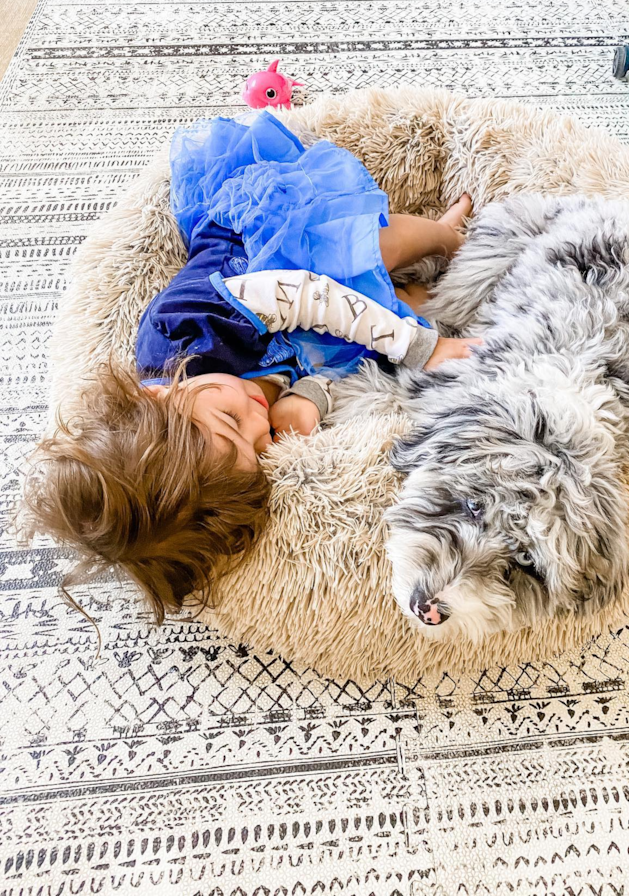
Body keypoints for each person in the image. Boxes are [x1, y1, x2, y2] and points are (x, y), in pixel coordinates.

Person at [23, 110, 478, 630]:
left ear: (160, 396)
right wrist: (310, 396)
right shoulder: (227, 415)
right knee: (397, 316)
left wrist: (423, 347)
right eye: (257, 448)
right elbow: (319, 365)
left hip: (273, 245)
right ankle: (422, 292)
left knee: (363, 252)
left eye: (234, 421)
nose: (260, 423)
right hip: (289, 326)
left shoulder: (185, 331)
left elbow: (312, 296)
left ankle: (446, 238)